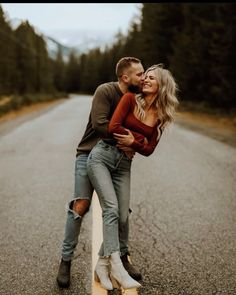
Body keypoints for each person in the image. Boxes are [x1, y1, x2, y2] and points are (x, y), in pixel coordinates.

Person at [87, 63, 179, 290]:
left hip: (124, 165)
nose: (145, 79)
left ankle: (101, 264)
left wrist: (133, 143)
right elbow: (113, 126)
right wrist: (132, 141)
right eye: (144, 76)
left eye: (151, 77)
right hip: (102, 157)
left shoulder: (159, 116)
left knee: (122, 216)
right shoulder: (129, 99)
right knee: (111, 209)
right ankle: (117, 266)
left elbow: (149, 149)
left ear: (162, 85)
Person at [56, 57, 145, 288]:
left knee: (121, 210)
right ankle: (65, 260)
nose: (143, 78)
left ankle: (122, 256)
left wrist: (135, 143)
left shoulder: (138, 99)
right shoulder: (105, 91)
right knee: (80, 206)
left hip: (118, 159)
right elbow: (100, 124)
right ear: (125, 78)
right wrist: (127, 140)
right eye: (139, 74)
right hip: (88, 154)